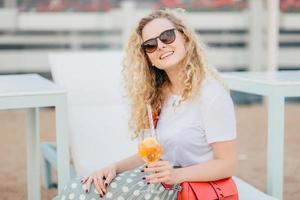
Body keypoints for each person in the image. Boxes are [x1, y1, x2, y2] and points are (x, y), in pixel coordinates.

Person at [53, 9, 237, 200]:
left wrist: (176, 175)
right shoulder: (159, 95)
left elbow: (227, 164)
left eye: (167, 36)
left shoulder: (211, 95)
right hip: (161, 183)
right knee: (79, 187)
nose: (160, 46)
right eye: (150, 44)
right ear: (148, 58)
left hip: (190, 190)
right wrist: (114, 168)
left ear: (186, 38)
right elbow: (156, 156)